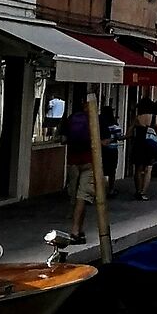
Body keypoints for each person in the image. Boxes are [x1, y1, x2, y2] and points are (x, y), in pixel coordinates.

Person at [65, 98, 95, 243]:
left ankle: (79, 229)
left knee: (75, 197)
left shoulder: (71, 119)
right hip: (88, 162)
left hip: (72, 163)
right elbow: (105, 140)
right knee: (82, 197)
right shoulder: (95, 120)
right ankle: (75, 230)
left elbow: (63, 138)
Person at [130, 100, 157, 200]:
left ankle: (138, 190)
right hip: (150, 145)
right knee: (148, 169)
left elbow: (129, 132)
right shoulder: (154, 118)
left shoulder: (137, 118)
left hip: (138, 144)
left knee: (138, 169)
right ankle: (143, 192)